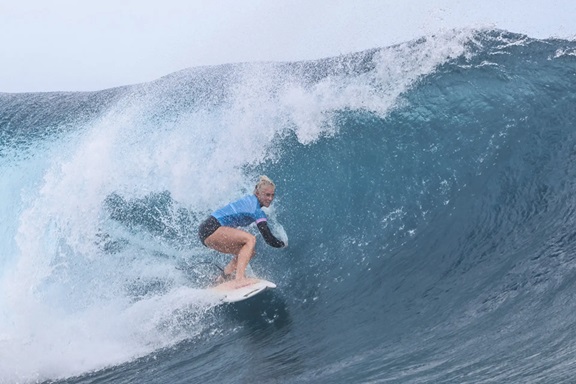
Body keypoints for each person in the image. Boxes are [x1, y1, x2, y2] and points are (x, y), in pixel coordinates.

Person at [198, 175, 286, 283]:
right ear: (258, 194)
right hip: (211, 228)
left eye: (272, 195)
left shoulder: (250, 200)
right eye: (267, 195)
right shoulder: (256, 210)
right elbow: (268, 238)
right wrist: (283, 244)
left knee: (249, 252)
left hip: (207, 231)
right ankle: (239, 279)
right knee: (250, 239)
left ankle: (224, 277)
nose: (270, 198)